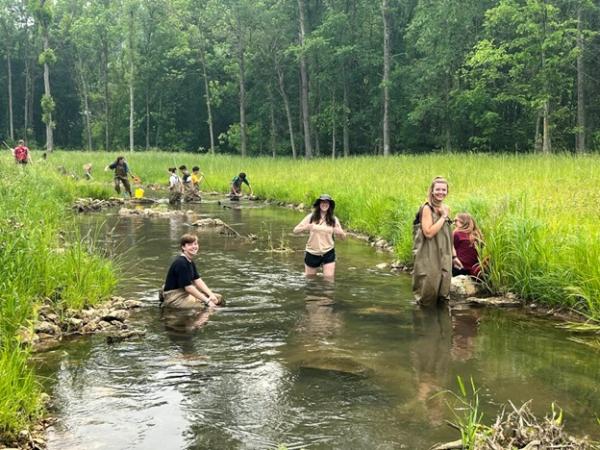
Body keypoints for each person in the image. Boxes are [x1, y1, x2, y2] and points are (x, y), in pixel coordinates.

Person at [412, 177, 453, 307]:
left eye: (444, 189)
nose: (441, 192)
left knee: (443, 291)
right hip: (428, 253)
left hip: (444, 253)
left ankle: (443, 325)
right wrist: (443, 217)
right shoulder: (426, 208)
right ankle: (424, 324)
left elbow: (448, 234)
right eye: (438, 189)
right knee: (428, 291)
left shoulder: (446, 208)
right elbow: (428, 233)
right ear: (432, 191)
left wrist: (454, 255)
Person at [161, 233, 223, 309]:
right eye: (190, 244)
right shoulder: (181, 263)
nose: (194, 247)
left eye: (195, 244)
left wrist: (211, 295)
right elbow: (189, 288)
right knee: (204, 308)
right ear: (183, 247)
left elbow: (197, 280)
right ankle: (199, 319)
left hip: (185, 294)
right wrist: (207, 301)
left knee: (218, 298)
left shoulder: (189, 260)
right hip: (175, 297)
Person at [293, 194, 346, 278]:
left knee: (329, 281)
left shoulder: (334, 219)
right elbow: (295, 230)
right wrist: (305, 227)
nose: (324, 204)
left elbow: (343, 238)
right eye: (322, 202)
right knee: (310, 281)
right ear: (319, 204)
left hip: (328, 252)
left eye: (327, 202)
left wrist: (340, 232)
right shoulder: (311, 217)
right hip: (312, 252)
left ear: (330, 205)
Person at [452, 212, 484, 277]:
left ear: (463, 222)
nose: (454, 223)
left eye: (456, 220)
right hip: (474, 270)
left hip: (459, 268)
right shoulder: (477, 235)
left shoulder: (458, 233)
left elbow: (450, 250)